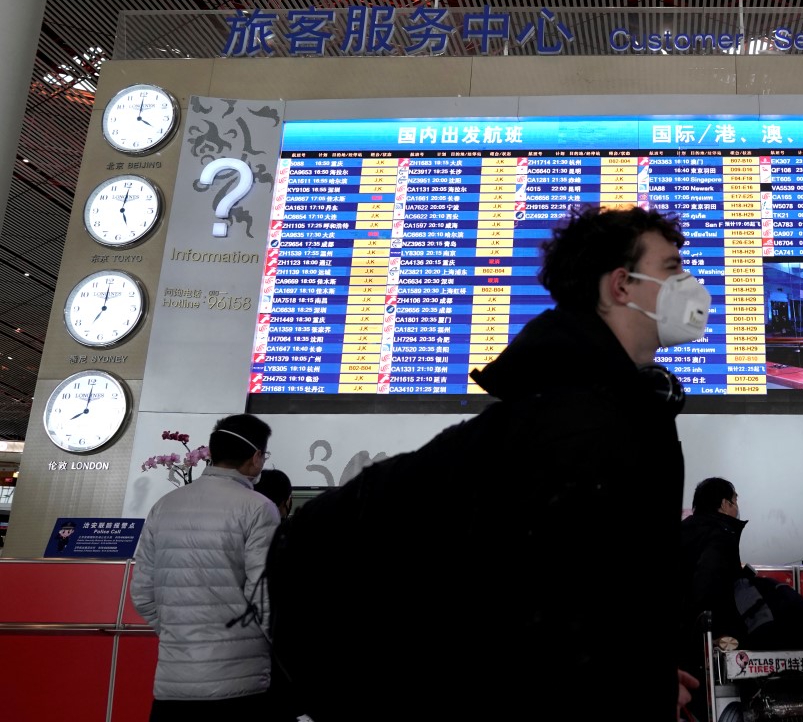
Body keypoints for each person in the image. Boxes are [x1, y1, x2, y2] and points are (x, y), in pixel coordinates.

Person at [268, 206, 711, 722]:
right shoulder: (578, 424)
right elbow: (539, 610)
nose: (689, 284)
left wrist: (638, 670)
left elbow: (594, 591)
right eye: (672, 267)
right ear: (621, 285)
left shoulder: (585, 407)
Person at [131, 414, 280, 722]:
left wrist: (180, 634)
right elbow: (265, 597)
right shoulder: (258, 508)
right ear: (255, 457)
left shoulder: (165, 506)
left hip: (173, 689)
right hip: (240, 685)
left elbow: (142, 593)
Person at [679, 477, 746, 718]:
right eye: (736, 500)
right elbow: (709, 585)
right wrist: (717, 632)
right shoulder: (720, 534)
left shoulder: (684, 530)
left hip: (682, 640)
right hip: (708, 641)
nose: (737, 507)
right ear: (724, 504)